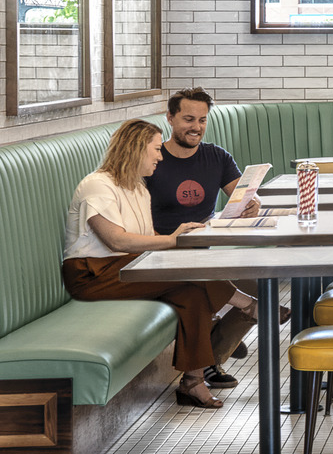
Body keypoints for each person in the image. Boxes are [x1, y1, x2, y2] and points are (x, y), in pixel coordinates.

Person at [61, 119, 258, 408]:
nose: (160, 156)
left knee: (191, 293)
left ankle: (193, 382)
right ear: (136, 149)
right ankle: (249, 305)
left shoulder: (137, 187)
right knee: (189, 269)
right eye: (155, 149)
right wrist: (172, 242)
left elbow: (144, 235)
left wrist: (181, 237)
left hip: (127, 268)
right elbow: (116, 241)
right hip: (93, 275)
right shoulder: (97, 185)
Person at [147, 88, 243, 233]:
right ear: (170, 118)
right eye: (189, 119)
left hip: (205, 246)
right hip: (160, 250)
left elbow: (244, 197)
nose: (197, 127)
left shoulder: (218, 157)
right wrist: (169, 244)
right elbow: (134, 223)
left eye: (202, 120)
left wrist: (252, 204)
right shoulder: (149, 160)